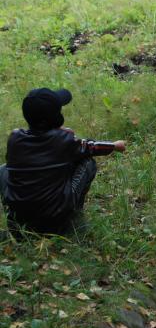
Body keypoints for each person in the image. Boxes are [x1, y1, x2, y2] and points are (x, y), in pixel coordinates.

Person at [0, 88, 126, 236]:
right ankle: (73, 219)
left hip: (21, 222)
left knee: (4, 169)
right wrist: (114, 145)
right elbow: (90, 147)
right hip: (54, 220)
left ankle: (15, 221)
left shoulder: (15, 138)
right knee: (87, 163)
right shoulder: (63, 140)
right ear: (56, 117)